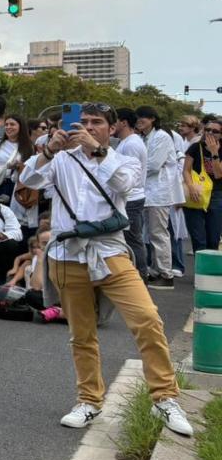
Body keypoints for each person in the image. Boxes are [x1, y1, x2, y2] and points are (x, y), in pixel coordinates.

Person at [18, 101, 192, 435]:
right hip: (68, 254)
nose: (87, 127)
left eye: (96, 122)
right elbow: (28, 179)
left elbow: (125, 184)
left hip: (110, 251)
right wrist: (49, 150)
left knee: (147, 319)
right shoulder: (62, 159)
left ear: (112, 129)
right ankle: (89, 400)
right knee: (81, 334)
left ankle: (165, 398)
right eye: (83, 121)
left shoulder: (124, 157)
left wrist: (97, 151)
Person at [136, 106, 184, 289]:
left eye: (143, 117)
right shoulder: (144, 137)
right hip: (148, 192)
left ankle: (166, 274)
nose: (139, 120)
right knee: (150, 234)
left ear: (153, 119)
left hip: (158, 192)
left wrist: (134, 170)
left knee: (158, 233)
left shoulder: (162, 137)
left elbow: (154, 165)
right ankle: (156, 271)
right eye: (138, 117)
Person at [114, 108, 149, 281]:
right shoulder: (126, 142)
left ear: (124, 122)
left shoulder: (132, 144)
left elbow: (129, 175)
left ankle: (140, 277)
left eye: (114, 120)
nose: (111, 124)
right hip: (129, 197)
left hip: (132, 198)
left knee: (132, 240)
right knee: (128, 239)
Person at [183, 115, 222, 253]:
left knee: (213, 238)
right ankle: (199, 266)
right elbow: (186, 170)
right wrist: (190, 186)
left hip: (216, 194)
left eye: (215, 131)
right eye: (207, 130)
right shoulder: (195, 147)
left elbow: (218, 174)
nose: (210, 133)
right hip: (196, 192)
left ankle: (210, 266)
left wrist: (214, 152)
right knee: (198, 239)